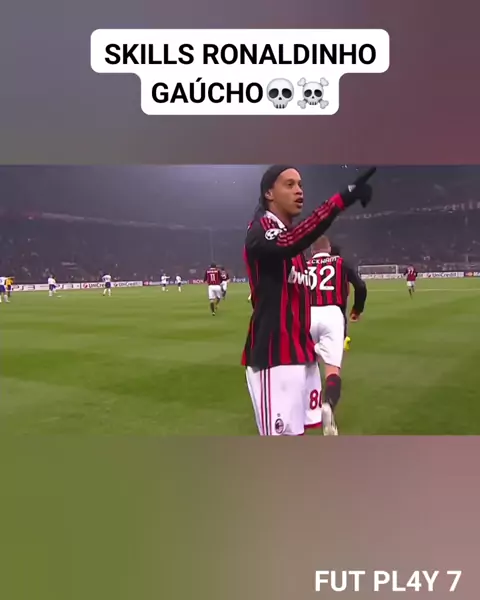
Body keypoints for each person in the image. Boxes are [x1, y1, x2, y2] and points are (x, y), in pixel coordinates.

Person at [242, 164, 375, 436]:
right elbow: (289, 241)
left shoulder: (289, 238)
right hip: (274, 355)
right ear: (269, 193)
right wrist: (340, 200)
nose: (299, 191)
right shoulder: (261, 228)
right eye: (289, 184)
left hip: (299, 353)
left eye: (301, 185)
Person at [307, 236, 367, 435]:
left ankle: (305, 406)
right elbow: (360, 286)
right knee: (332, 369)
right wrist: (357, 310)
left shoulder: (305, 265)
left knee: (306, 365)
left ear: (312, 251)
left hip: (306, 315)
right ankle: (328, 405)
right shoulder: (340, 263)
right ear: (329, 248)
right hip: (332, 313)